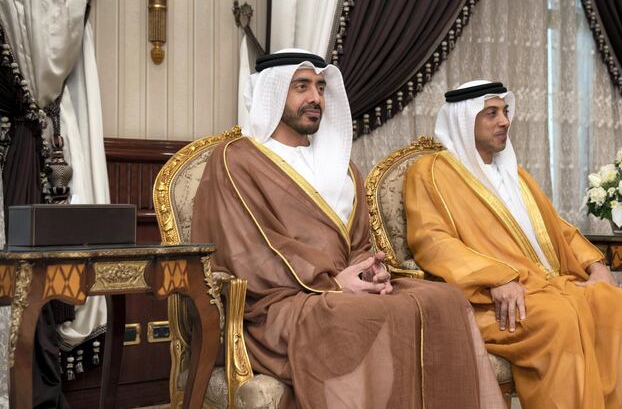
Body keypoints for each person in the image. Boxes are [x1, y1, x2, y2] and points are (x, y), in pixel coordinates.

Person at [192, 51, 504, 409]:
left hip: (344, 291)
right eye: (302, 87)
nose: (315, 98)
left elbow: (358, 242)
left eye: (321, 88)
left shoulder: (340, 165)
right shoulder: (237, 159)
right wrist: (335, 284)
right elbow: (249, 251)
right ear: (272, 93)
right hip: (281, 300)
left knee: (445, 298)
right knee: (355, 316)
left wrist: (371, 271)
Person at [404, 80, 622, 409]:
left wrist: (595, 267)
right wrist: (496, 276)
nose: (504, 121)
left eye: (505, 112)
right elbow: (432, 240)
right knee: (560, 319)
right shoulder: (430, 173)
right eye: (491, 114)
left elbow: (557, 228)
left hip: (549, 284)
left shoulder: (516, 174)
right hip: (490, 300)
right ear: (464, 120)